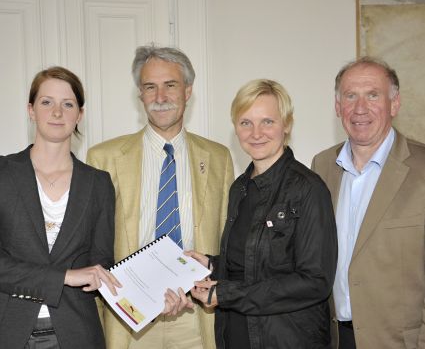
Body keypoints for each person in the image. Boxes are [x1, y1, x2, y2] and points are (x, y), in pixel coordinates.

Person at [86, 45, 234, 349]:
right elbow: (90, 245)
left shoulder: (219, 157)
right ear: (140, 95)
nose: (160, 97)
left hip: (197, 319)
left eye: (170, 85)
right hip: (129, 322)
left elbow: (227, 240)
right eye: (150, 87)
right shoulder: (103, 158)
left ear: (188, 90)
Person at [187, 79, 338, 348]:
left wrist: (228, 293)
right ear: (235, 127)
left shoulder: (309, 189)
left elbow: (315, 281)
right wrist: (212, 265)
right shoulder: (239, 188)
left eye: (267, 121)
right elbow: (252, 262)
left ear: (287, 125)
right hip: (236, 333)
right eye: (246, 122)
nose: (256, 132)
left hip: (287, 339)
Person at [0, 66, 120, 349]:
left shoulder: (99, 183)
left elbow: (101, 266)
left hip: (78, 333)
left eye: (68, 104)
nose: (57, 113)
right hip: (9, 332)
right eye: (46, 102)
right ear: (31, 110)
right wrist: (64, 276)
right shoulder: (3, 174)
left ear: (79, 114)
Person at [311, 56, 425, 349]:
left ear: (394, 104)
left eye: (373, 95)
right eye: (351, 96)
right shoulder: (321, 166)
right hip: (336, 339)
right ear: (338, 107)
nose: (360, 108)